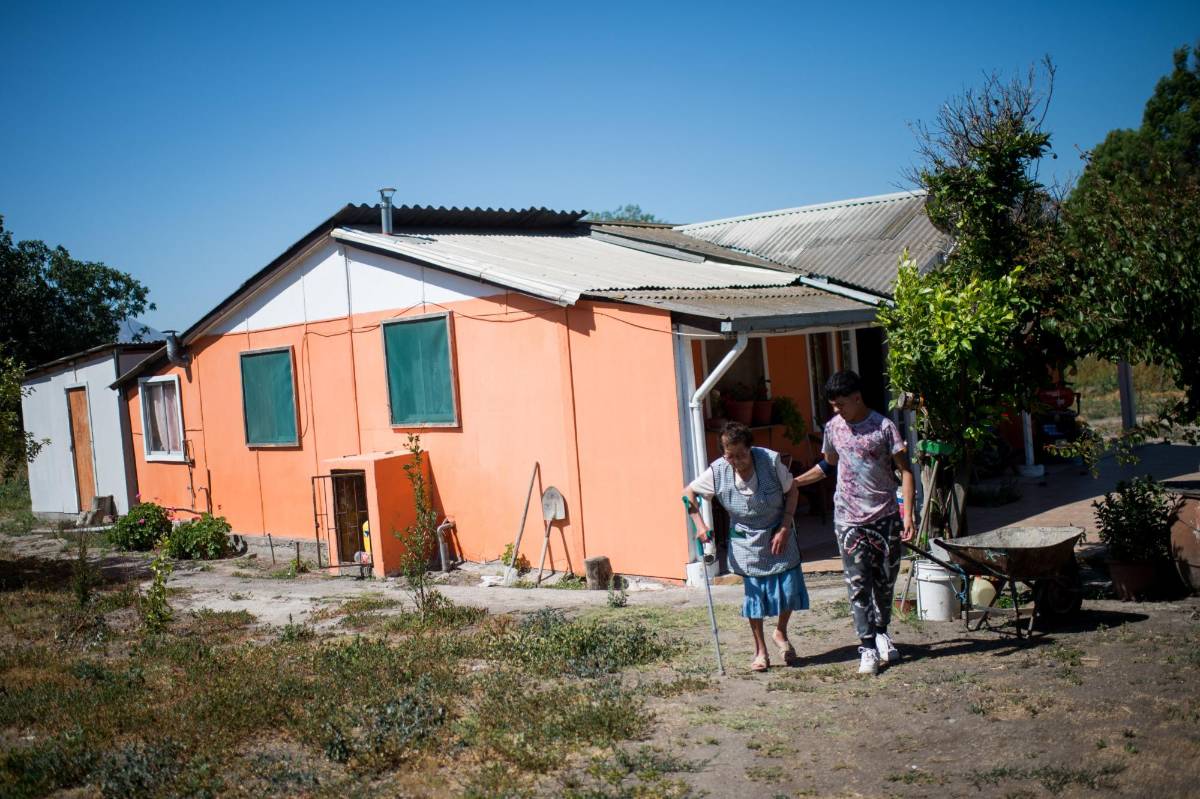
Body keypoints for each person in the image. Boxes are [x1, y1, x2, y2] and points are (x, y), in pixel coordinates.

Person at [793, 370, 915, 675]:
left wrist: (908, 515)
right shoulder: (833, 428)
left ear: (857, 398)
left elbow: (906, 471)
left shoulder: (884, 427)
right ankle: (867, 647)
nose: (837, 411)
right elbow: (827, 465)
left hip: (885, 517)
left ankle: (882, 631)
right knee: (858, 585)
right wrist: (795, 482)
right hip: (848, 519)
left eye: (841, 405)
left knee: (884, 583)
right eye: (833, 406)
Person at [684, 422, 809, 672]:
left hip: (778, 531)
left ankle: (781, 632)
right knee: (755, 596)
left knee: (789, 587)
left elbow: (792, 490)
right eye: (729, 455)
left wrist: (785, 526)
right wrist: (700, 525)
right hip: (745, 540)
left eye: (741, 454)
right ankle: (760, 651)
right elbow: (688, 493)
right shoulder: (718, 470)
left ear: (750, 449)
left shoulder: (770, 461)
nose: (736, 461)